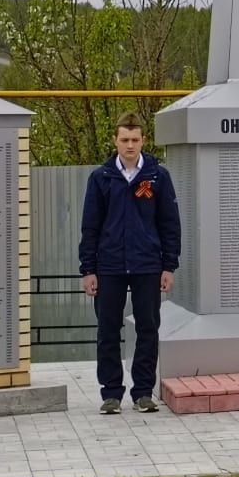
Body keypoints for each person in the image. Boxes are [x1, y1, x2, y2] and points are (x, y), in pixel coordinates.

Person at [78, 112, 182, 415]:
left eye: (135, 140)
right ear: (115, 140)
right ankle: (111, 394)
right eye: (124, 139)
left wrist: (168, 266)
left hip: (147, 265)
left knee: (148, 328)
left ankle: (142, 393)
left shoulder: (157, 176)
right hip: (108, 266)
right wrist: (89, 270)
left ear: (143, 141)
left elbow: (169, 224)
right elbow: (90, 227)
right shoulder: (101, 178)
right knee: (107, 330)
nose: (130, 145)